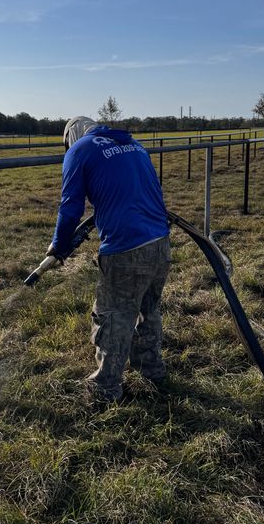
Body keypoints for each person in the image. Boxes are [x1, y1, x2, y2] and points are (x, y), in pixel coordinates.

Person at [47, 115, 171, 402]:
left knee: (114, 315)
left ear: (71, 138)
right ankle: (152, 371)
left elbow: (70, 207)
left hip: (126, 247)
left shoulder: (80, 150)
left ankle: (105, 389)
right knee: (147, 310)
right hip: (161, 242)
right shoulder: (133, 145)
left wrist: (58, 245)